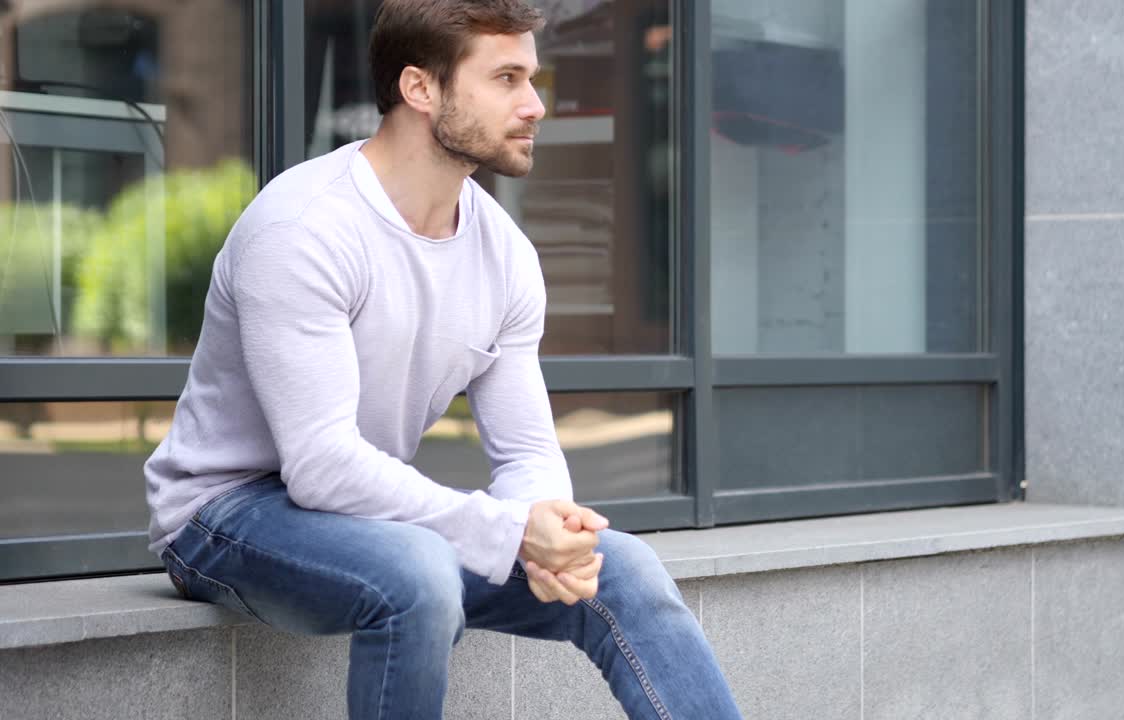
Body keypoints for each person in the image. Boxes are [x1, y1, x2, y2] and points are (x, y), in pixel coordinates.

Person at [143, 1, 742, 718]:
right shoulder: (305, 228)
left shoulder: (504, 254)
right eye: (508, 79)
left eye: (534, 77)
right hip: (224, 515)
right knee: (420, 573)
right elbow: (322, 463)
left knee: (627, 571)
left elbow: (526, 452)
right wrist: (510, 532)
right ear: (420, 88)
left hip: (363, 517)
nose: (536, 104)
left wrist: (551, 531)